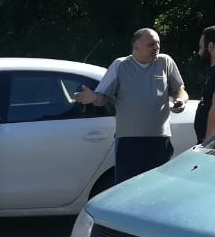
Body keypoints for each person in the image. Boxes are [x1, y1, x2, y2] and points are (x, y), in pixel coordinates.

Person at [75, 28, 187, 182]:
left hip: (159, 140)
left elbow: (180, 90)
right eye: (151, 44)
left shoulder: (165, 62)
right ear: (136, 47)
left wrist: (180, 100)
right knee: (126, 189)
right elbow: (102, 98)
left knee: (160, 188)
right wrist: (93, 97)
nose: (156, 48)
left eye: (158, 44)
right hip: (129, 142)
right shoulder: (120, 65)